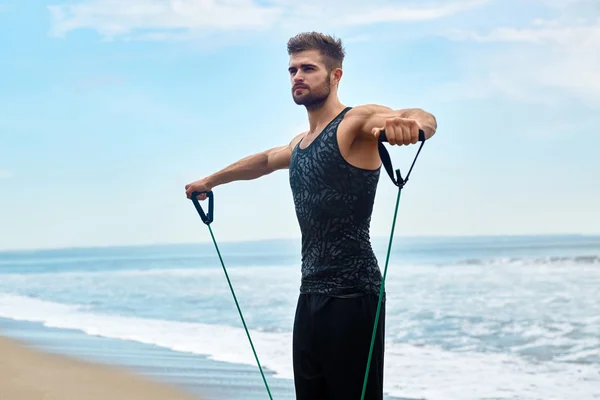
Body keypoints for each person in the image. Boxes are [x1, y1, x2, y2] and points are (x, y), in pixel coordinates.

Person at [185, 32, 437, 400]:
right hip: (310, 295)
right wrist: (211, 180)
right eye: (292, 70)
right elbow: (265, 161)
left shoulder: (356, 123)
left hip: (353, 296)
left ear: (335, 76)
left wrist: (414, 128)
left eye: (308, 68)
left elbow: (420, 116)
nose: (297, 76)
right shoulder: (301, 143)